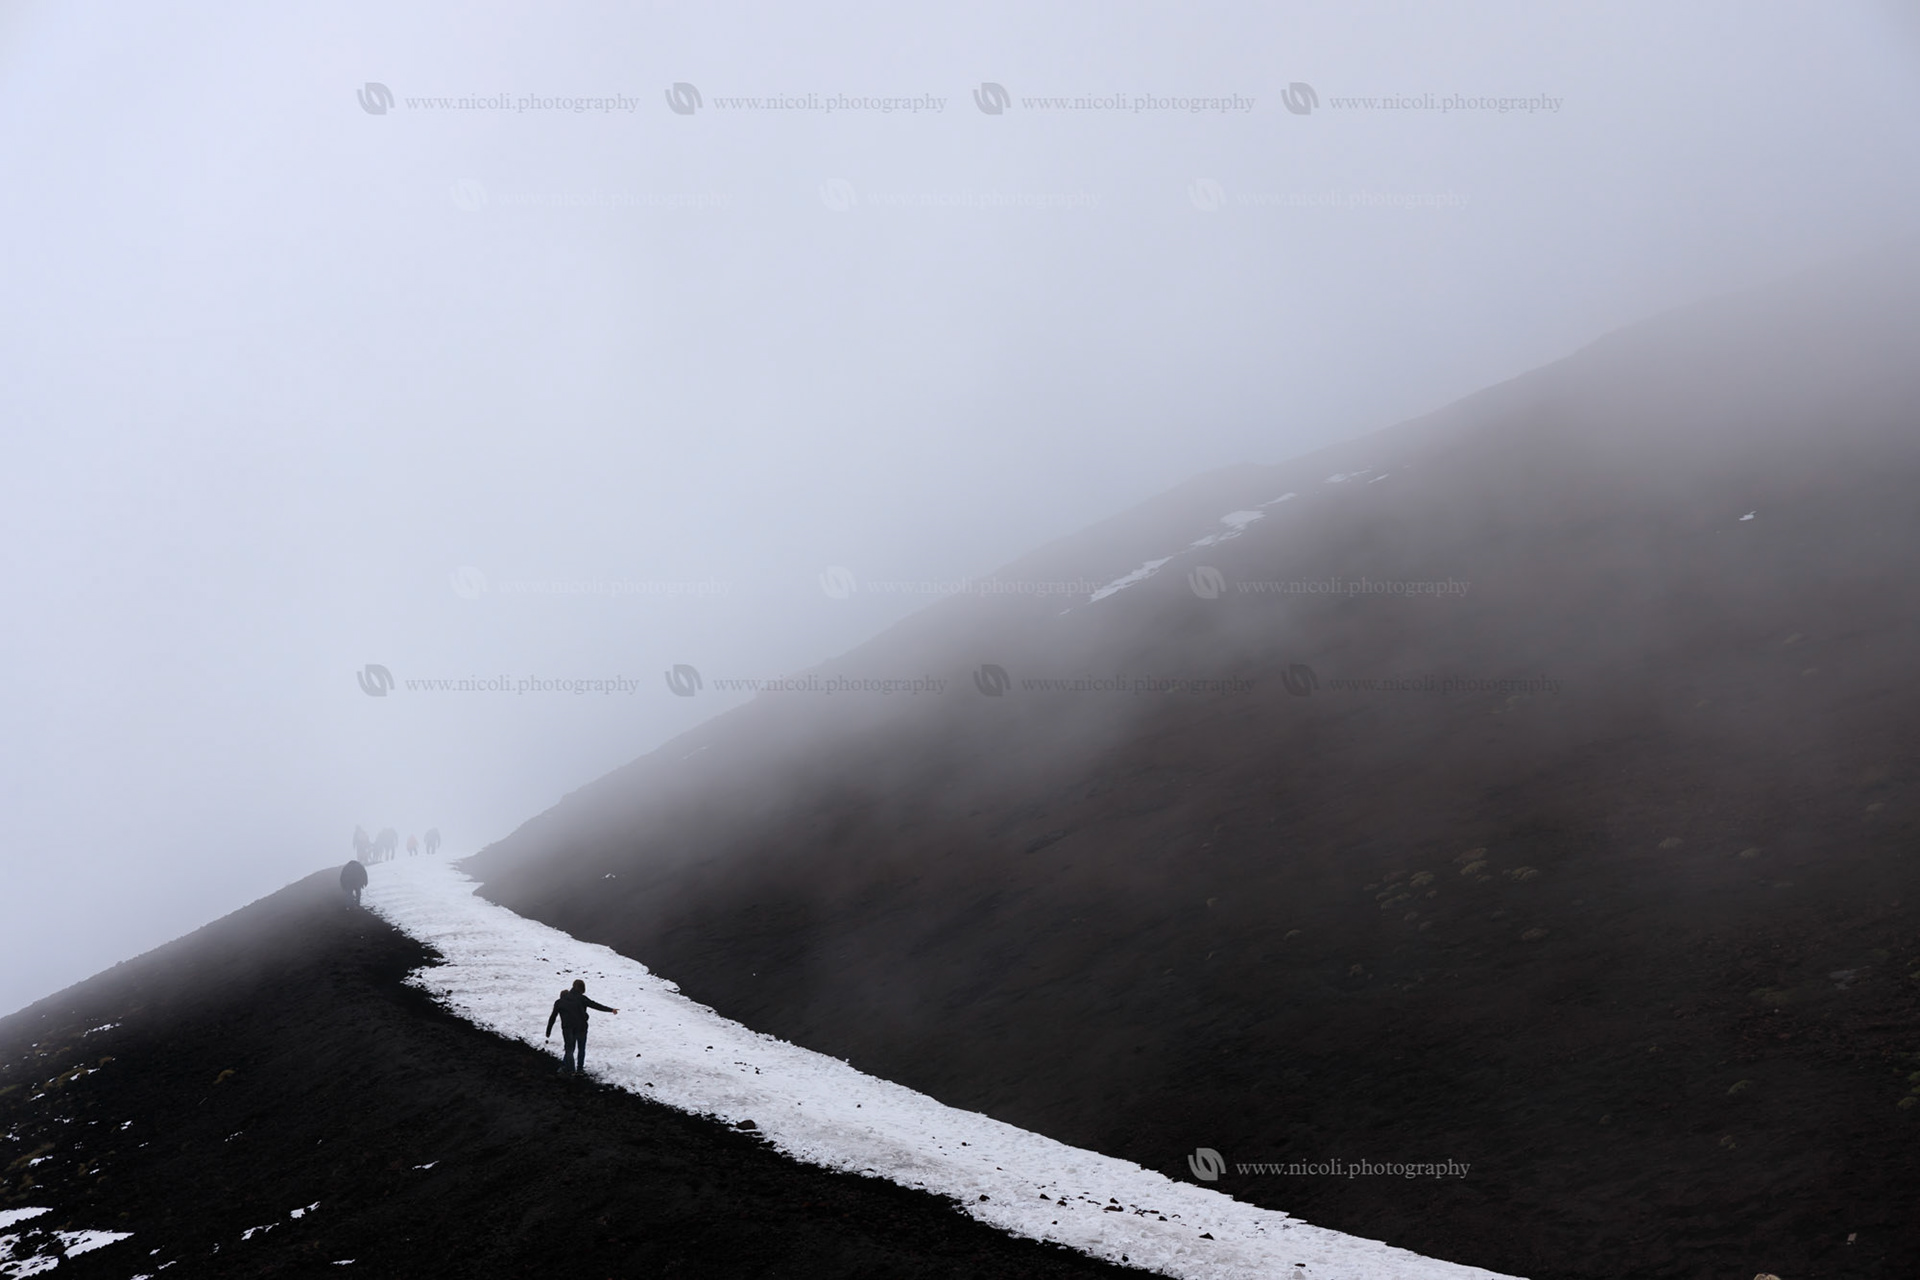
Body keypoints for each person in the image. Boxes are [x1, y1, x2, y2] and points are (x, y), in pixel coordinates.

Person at [545, 979, 617, 1076]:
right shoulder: (581, 998)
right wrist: (610, 1010)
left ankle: (570, 1070)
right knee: (581, 1048)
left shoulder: (559, 1002)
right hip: (582, 1027)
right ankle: (579, 1069)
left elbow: (552, 1017)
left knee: (569, 1049)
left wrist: (548, 1031)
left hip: (568, 1029)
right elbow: (595, 1005)